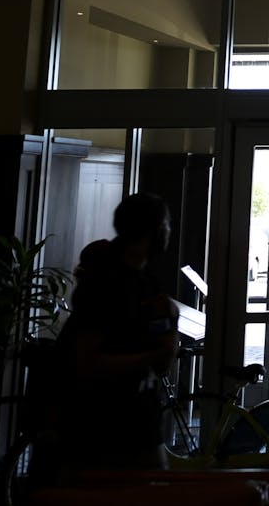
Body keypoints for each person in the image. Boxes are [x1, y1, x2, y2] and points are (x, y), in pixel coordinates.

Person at [58, 192, 179, 472]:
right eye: (166, 225)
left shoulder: (144, 280)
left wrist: (169, 327)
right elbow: (86, 362)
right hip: (105, 425)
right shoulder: (107, 283)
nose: (168, 232)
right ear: (155, 229)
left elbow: (162, 360)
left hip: (137, 420)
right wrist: (155, 352)